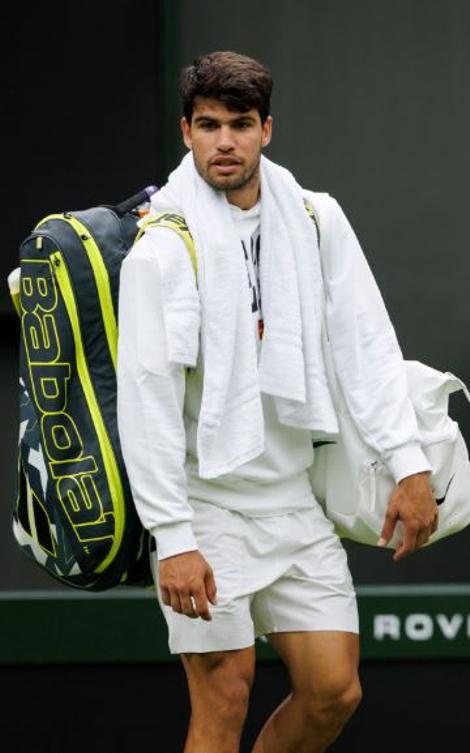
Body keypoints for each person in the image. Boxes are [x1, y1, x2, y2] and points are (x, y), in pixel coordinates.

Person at [116, 51, 438, 753]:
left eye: (239, 124)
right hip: (204, 506)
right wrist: (174, 537)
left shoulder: (317, 219)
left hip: (291, 500)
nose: (223, 141)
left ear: (268, 129)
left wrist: (410, 465)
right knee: (224, 695)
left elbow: (367, 343)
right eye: (208, 125)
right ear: (185, 131)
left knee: (333, 691)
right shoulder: (159, 249)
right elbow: (146, 402)